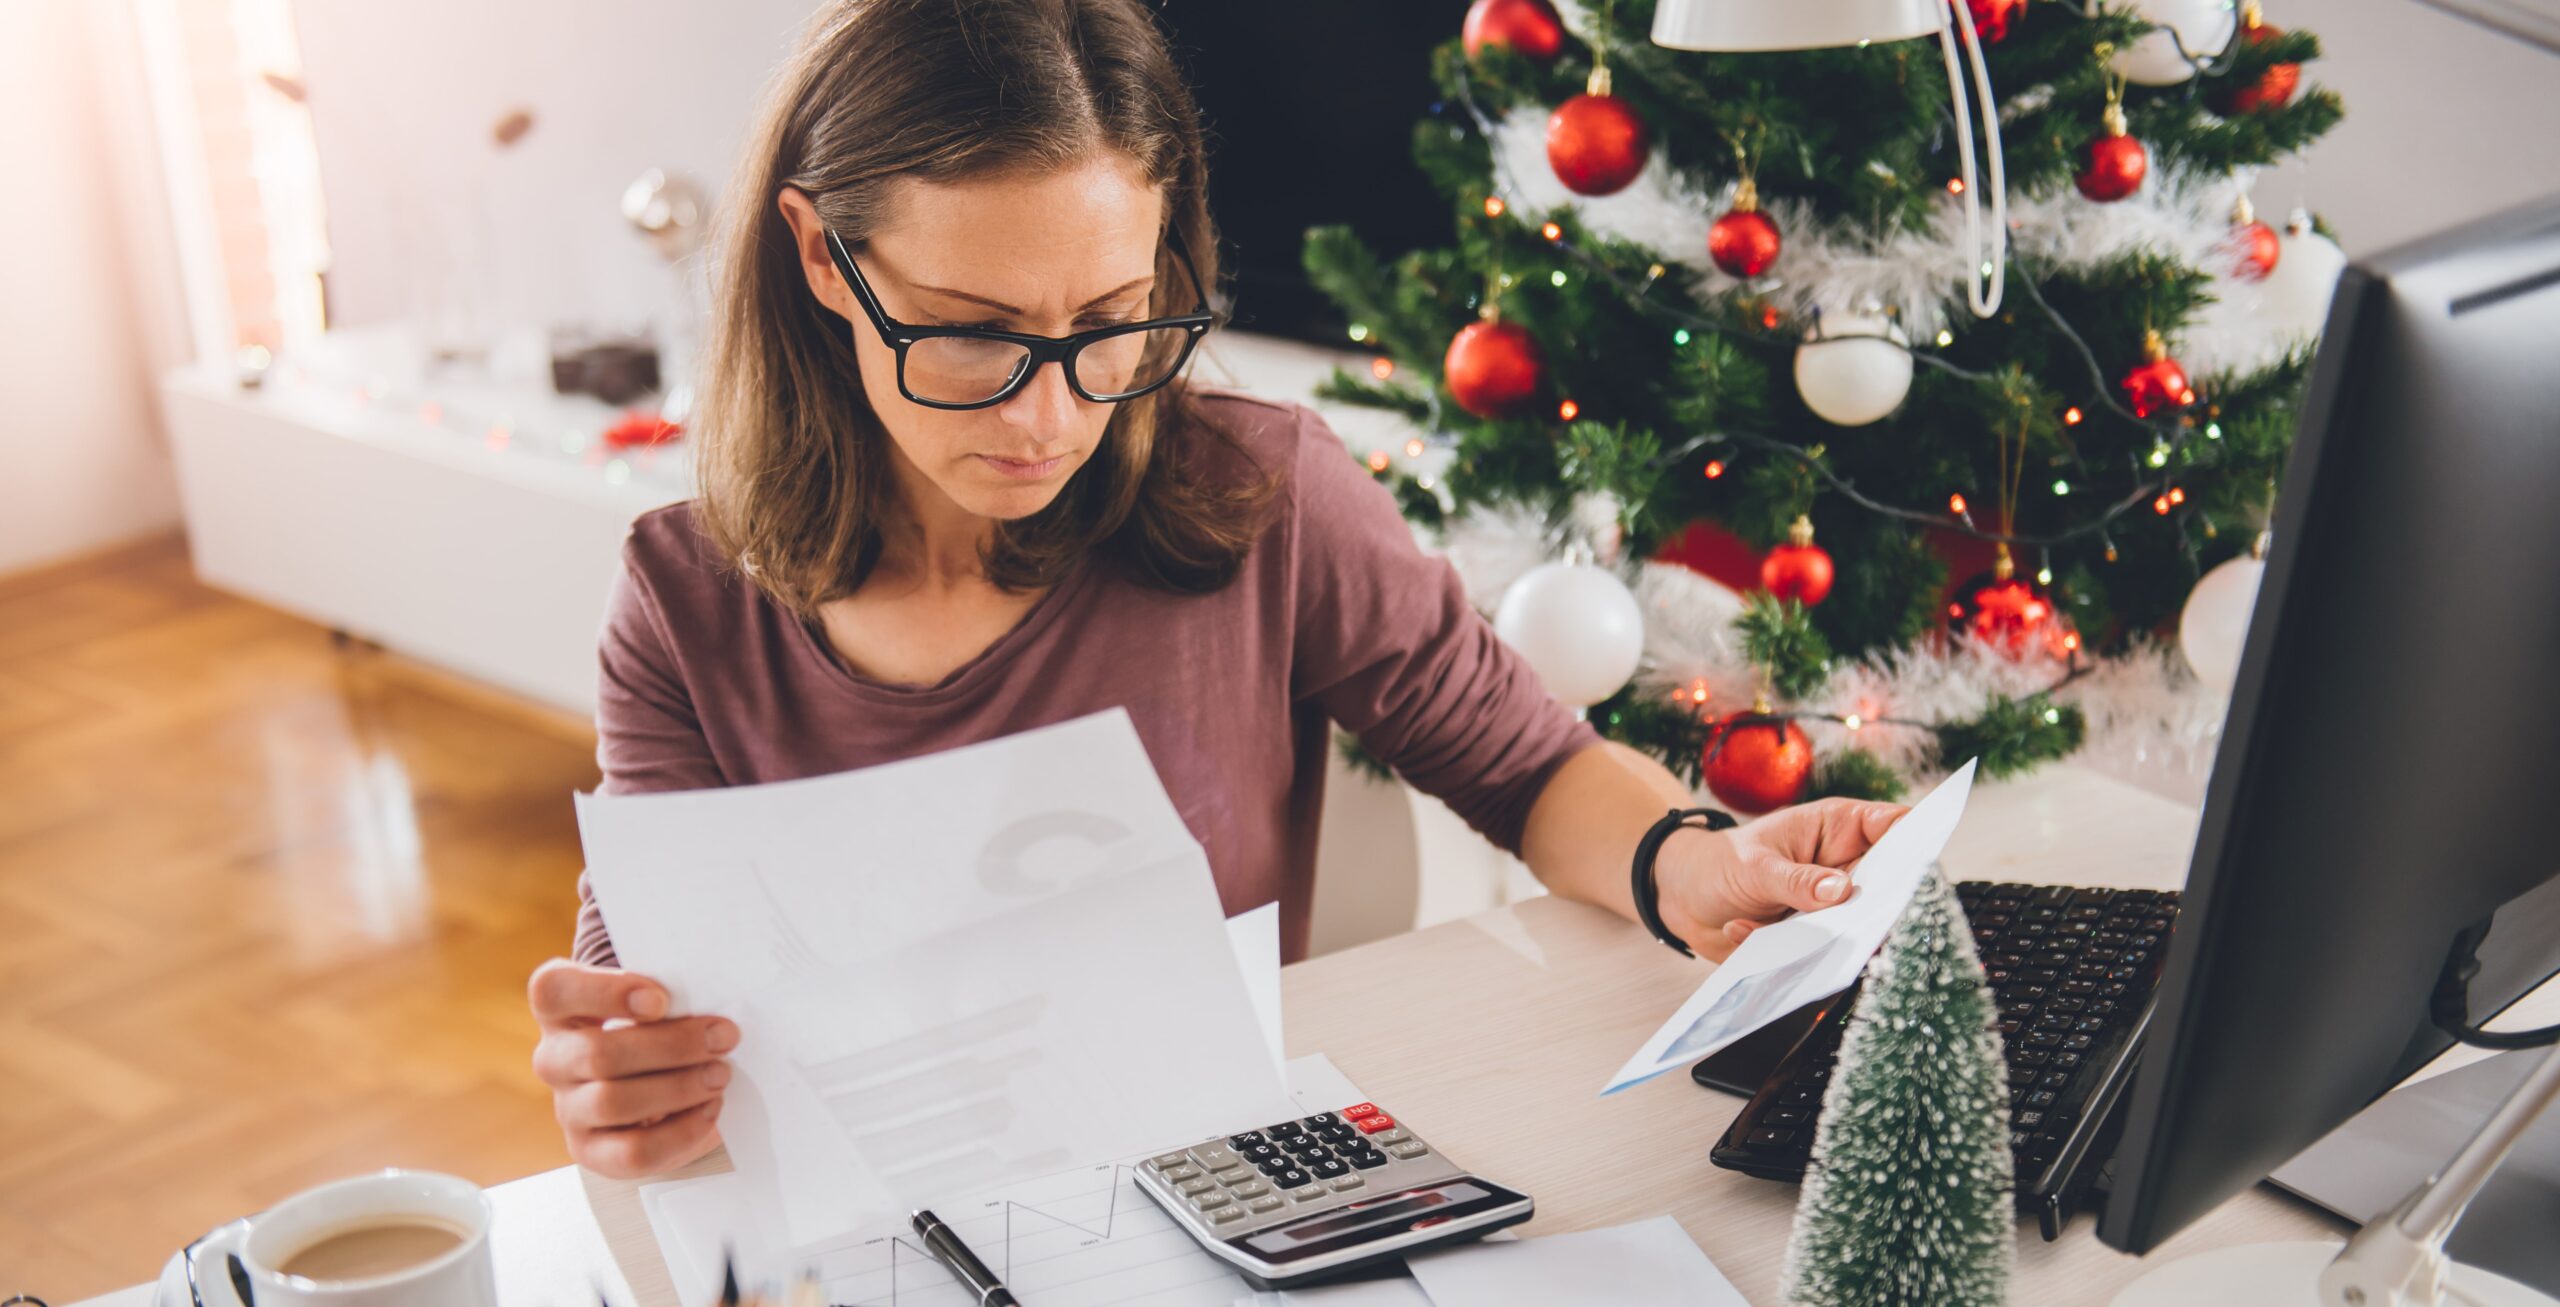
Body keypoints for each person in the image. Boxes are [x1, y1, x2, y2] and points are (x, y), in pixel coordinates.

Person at [527, 0, 1907, 1181]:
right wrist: (622, 1081)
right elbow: (650, 1007)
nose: (1052, 418)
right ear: (825, 258)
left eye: (1111, 323)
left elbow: (1530, 770)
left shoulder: (1268, 496)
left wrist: (1698, 864)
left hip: (1216, 1196)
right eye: (975, 336)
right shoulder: (683, 603)